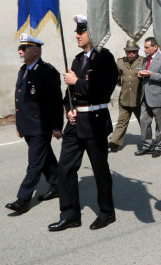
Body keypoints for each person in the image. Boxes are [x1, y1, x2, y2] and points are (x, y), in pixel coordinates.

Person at [49, 15, 118, 232]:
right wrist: (69, 110)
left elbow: (104, 89)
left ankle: (107, 212)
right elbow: (68, 93)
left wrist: (77, 82)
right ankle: (70, 214)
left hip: (94, 122)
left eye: (82, 32)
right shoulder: (78, 60)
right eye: (77, 32)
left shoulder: (105, 58)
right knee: (65, 169)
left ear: (92, 33)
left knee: (100, 170)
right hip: (75, 123)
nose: (77, 35)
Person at [6, 34, 63, 214]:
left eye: (24, 48)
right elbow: (21, 101)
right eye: (20, 48)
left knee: (34, 162)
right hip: (28, 125)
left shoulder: (47, 71)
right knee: (45, 158)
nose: (20, 51)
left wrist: (56, 126)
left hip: (41, 126)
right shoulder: (23, 70)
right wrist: (19, 125)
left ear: (36, 51)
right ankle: (58, 185)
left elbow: (55, 101)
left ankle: (22, 200)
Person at [135, 37, 161, 158]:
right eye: (144, 47)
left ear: (155, 47)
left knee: (159, 125)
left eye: (147, 47)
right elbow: (145, 73)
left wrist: (151, 74)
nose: (144, 50)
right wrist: (141, 74)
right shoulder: (145, 60)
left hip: (157, 97)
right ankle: (147, 146)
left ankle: (159, 147)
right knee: (144, 122)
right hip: (145, 96)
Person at [108, 39, 143, 153]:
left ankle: (148, 142)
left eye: (134, 51)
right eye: (129, 51)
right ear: (125, 52)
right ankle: (114, 142)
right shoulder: (120, 62)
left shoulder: (143, 61)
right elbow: (117, 80)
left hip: (138, 99)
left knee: (143, 121)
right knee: (122, 120)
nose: (131, 53)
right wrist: (117, 80)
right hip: (124, 98)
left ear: (137, 52)